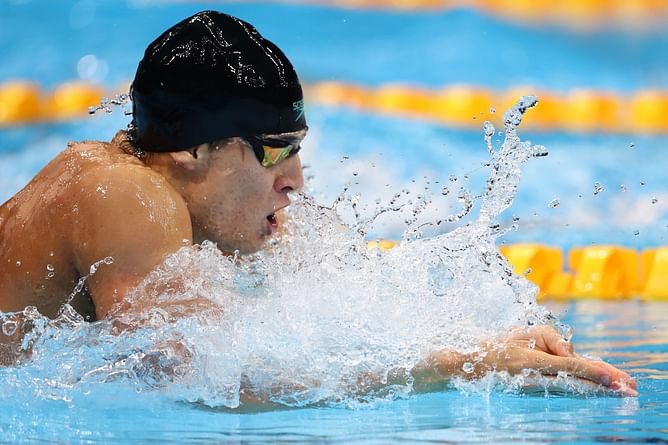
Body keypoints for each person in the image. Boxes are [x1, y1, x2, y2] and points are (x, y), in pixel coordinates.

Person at [0, 11, 636, 396]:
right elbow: (200, 384)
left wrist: (479, 342)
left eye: (298, 150)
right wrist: (454, 367)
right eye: (276, 151)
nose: (296, 181)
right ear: (196, 151)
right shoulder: (129, 196)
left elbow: (297, 340)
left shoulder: (188, 212)